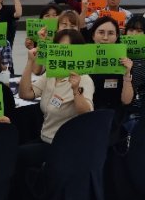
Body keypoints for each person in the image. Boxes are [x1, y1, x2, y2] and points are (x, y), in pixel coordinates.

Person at [17, 28, 94, 169]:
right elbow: (25, 94)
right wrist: (29, 62)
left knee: (20, 157)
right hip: (45, 138)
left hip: (65, 146)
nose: (64, 53)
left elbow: (87, 114)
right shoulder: (51, 74)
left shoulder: (83, 78)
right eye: (59, 48)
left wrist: (76, 89)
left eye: (69, 50)